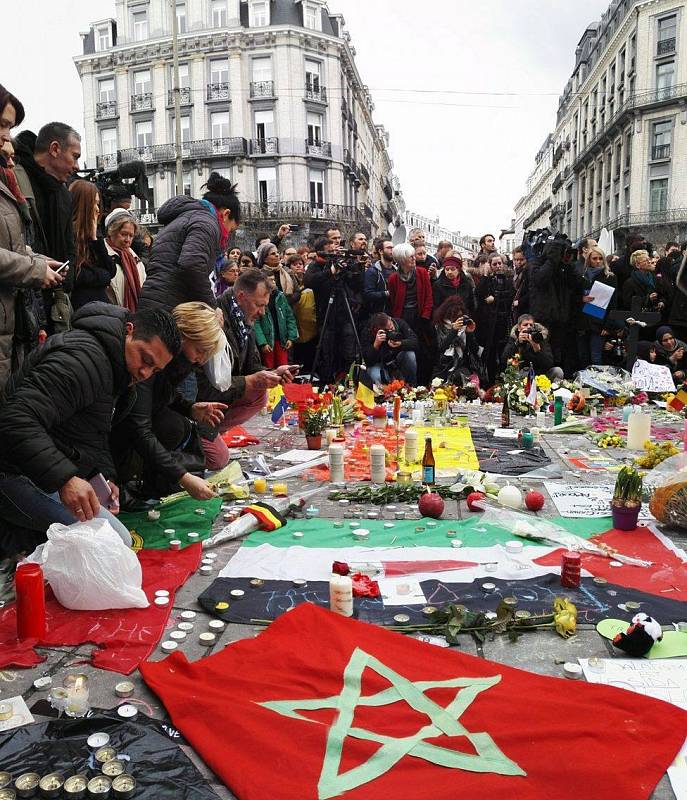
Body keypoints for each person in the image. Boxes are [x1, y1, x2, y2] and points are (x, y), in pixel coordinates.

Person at [0, 303, 180, 554]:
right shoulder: (80, 360)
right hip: (13, 471)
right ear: (129, 330)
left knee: (114, 543)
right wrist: (65, 479)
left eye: (155, 370)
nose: (144, 373)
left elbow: (91, 432)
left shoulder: (115, 368)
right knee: (112, 545)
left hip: (39, 468)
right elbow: (16, 419)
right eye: (145, 359)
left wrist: (102, 476)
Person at [111, 302, 228, 503]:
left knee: (177, 426)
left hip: (135, 427)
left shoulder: (176, 363)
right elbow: (139, 427)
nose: (200, 360)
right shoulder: (153, 362)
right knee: (172, 427)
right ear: (184, 337)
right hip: (118, 436)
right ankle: (128, 480)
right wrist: (182, 477)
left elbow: (163, 394)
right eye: (199, 350)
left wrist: (189, 408)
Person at [0, 86, 63, 390]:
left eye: (9, 127)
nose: (7, 138)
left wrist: (36, 258)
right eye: (1, 124)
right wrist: (34, 270)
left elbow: (9, 243)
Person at [196, 270, 296, 453]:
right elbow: (205, 385)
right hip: (200, 402)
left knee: (260, 393)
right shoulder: (215, 320)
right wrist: (249, 382)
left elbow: (253, 365)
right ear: (241, 296)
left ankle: (213, 435)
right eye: (259, 305)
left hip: (224, 393)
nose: (262, 312)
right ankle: (202, 435)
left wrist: (273, 373)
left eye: (265, 306)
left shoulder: (243, 320)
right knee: (217, 458)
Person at [14, 121, 81, 332]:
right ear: (54, 149)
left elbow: (69, 245)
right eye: (75, 156)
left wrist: (63, 282)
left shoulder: (64, 195)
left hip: (54, 303)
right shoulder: (13, 179)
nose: (77, 166)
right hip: (21, 302)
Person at [138, 172, 240, 311]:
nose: (228, 235)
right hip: (169, 305)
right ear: (226, 214)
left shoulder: (187, 216)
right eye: (231, 229)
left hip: (156, 299)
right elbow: (192, 264)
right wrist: (212, 307)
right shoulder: (207, 222)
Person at [304, 237, 363, 384]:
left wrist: (357, 267)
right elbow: (310, 281)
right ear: (320, 252)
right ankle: (326, 385)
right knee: (327, 354)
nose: (333, 254)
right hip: (326, 315)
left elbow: (357, 285)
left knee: (349, 352)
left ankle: (349, 382)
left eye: (334, 250)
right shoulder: (316, 265)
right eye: (329, 251)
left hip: (345, 314)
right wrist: (330, 271)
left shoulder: (341, 264)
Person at [68, 179, 116, 310]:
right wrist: (102, 276)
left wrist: (95, 239)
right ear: (84, 205)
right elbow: (76, 276)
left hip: (98, 308)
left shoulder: (93, 237)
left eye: (98, 204)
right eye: (94, 203)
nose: (97, 209)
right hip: (81, 308)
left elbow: (111, 270)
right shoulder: (69, 235)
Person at [475, 252, 515, 384]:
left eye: (499, 263)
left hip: (504, 322)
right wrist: (486, 276)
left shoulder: (509, 279)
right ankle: (491, 382)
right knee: (490, 355)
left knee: (504, 354)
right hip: (490, 324)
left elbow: (510, 297)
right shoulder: (487, 280)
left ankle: (504, 381)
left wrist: (495, 298)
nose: (498, 266)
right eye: (495, 264)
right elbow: (479, 294)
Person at [577, 246, 617, 367]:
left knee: (596, 356)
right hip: (582, 321)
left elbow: (613, 303)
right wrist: (581, 299)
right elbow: (572, 296)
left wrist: (608, 325)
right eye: (595, 258)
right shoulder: (581, 276)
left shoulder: (609, 277)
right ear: (589, 259)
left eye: (600, 258)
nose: (598, 261)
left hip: (599, 321)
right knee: (582, 356)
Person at [432, 296, 482, 388]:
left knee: (461, 377)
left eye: (459, 317)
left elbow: (475, 350)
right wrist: (453, 331)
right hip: (443, 365)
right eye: (455, 317)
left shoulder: (465, 327)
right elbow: (441, 348)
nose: (457, 320)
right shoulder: (440, 326)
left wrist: (470, 333)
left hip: (461, 365)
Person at [254, 271, 299, 369]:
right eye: (270, 280)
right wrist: (262, 342)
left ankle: (284, 384)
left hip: (281, 339)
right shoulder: (259, 297)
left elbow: (289, 316)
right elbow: (255, 322)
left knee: (284, 366)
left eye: (274, 280)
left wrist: (291, 337)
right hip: (268, 341)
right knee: (269, 367)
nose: (273, 282)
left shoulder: (280, 296)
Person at [104, 209, 146, 310]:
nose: (127, 240)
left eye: (131, 236)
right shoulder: (101, 257)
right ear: (111, 231)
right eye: (123, 234)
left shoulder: (137, 262)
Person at [361, 312, 418, 386]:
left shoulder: (399, 323)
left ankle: (411, 386)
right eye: (388, 331)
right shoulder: (368, 332)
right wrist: (376, 345)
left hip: (397, 360)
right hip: (379, 364)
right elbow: (367, 361)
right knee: (376, 375)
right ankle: (384, 393)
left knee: (410, 355)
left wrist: (401, 343)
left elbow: (415, 342)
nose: (392, 331)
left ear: (390, 319)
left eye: (391, 327)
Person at [622, 249, 668, 338]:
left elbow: (663, 294)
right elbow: (627, 303)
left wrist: (662, 302)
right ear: (638, 265)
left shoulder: (655, 278)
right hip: (641, 323)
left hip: (657, 319)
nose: (650, 261)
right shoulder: (630, 283)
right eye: (646, 260)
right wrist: (647, 298)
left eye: (649, 259)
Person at [502, 313, 563, 380]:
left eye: (531, 325)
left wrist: (537, 349)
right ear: (519, 328)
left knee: (558, 371)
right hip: (523, 374)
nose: (528, 327)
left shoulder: (540, 337)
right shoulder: (514, 338)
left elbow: (549, 364)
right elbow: (504, 360)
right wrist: (517, 343)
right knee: (515, 375)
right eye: (525, 325)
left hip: (541, 373)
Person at [362, 238, 394, 319]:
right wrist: (387, 293)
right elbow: (368, 294)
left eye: (393, 248)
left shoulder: (397, 271)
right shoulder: (373, 271)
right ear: (381, 251)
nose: (392, 250)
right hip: (377, 316)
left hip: (394, 315)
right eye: (389, 248)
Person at [511, 246, 530, 319]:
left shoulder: (528, 272)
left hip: (526, 309)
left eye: (521, 259)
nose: (519, 262)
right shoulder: (516, 272)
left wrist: (519, 302)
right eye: (516, 259)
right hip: (517, 309)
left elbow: (530, 292)